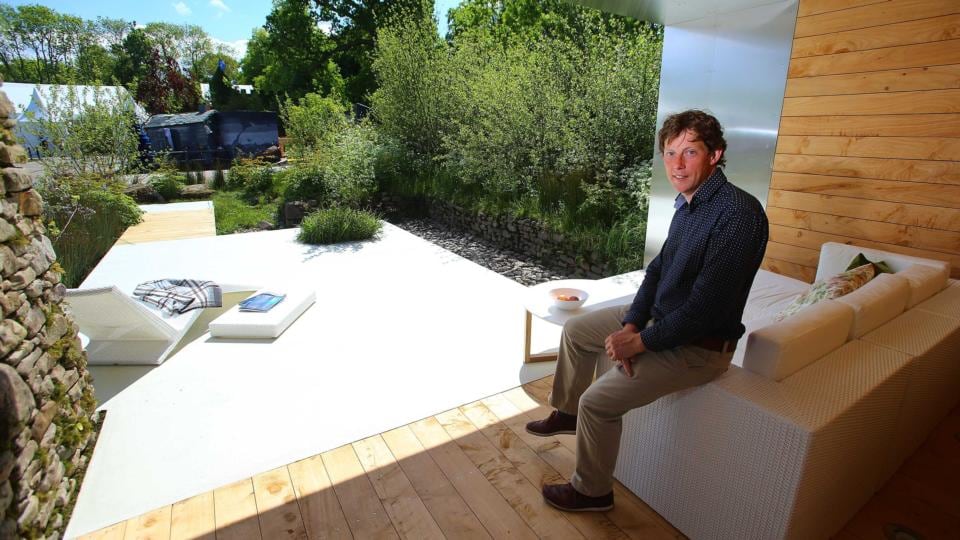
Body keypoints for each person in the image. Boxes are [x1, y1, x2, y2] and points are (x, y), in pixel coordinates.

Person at [526, 109, 769, 512]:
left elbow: (703, 313)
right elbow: (658, 270)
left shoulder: (738, 215)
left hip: (699, 348)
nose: (677, 164)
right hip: (661, 320)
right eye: (670, 153)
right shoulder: (688, 203)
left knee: (598, 403)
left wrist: (637, 343)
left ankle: (592, 492)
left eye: (690, 152)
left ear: (715, 154)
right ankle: (566, 412)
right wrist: (634, 321)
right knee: (577, 331)